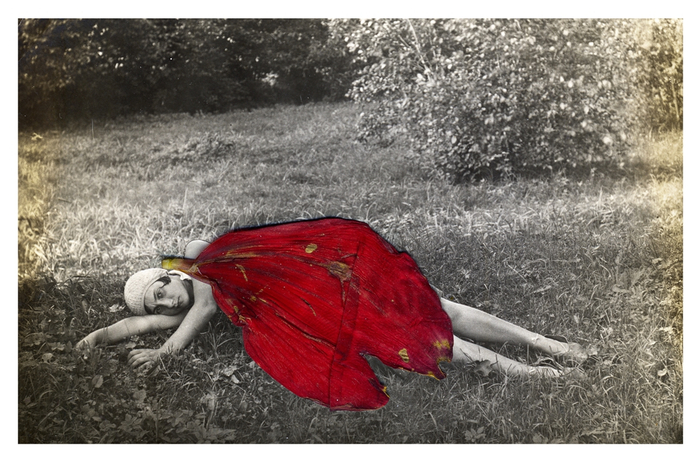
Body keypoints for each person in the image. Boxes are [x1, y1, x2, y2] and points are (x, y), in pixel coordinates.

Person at [77, 238, 588, 379]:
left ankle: (546, 352)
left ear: (171, 273)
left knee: (438, 314)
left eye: (162, 289)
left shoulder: (201, 262)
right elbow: (137, 322)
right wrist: (97, 338)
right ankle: (536, 367)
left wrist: (165, 353)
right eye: (160, 304)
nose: (168, 301)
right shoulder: (181, 309)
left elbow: (204, 307)